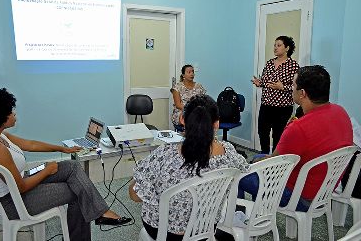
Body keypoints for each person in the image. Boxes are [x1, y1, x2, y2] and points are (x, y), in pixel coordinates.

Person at [0, 88, 131, 241]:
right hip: (13, 202)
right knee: (76, 191)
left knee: (71, 167)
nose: (14, 114)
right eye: (11, 111)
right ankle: (93, 223)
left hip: (19, 185)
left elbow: (31, 145)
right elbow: (20, 187)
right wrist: (47, 170)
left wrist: (63, 149)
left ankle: (101, 213)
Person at [129, 94, 249, 240]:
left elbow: (135, 195)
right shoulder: (228, 152)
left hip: (166, 233)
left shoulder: (164, 155)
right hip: (206, 228)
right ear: (217, 123)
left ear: (182, 119)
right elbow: (245, 169)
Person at [240, 65, 353, 211]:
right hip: (326, 190)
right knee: (259, 158)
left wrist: (251, 163)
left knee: (239, 174)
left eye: (293, 85)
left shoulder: (298, 128)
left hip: (300, 197)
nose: (292, 88)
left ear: (302, 93)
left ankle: (240, 220)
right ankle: (261, 214)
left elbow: (274, 163)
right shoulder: (340, 112)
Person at [251, 36, 299, 155]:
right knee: (262, 132)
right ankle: (263, 156)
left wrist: (283, 87)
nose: (275, 48)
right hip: (266, 105)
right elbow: (266, 81)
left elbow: (297, 87)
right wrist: (260, 83)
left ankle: (274, 161)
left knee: (278, 135)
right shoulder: (269, 63)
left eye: (279, 45)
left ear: (287, 48)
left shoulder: (293, 65)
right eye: (274, 45)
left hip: (283, 108)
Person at [171, 64, 206, 130]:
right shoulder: (177, 87)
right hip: (182, 111)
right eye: (189, 72)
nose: (192, 74)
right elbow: (178, 105)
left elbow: (203, 101)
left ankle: (202, 138)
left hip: (196, 111)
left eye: (193, 72)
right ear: (183, 75)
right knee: (192, 118)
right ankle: (190, 137)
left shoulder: (199, 86)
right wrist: (191, 110)